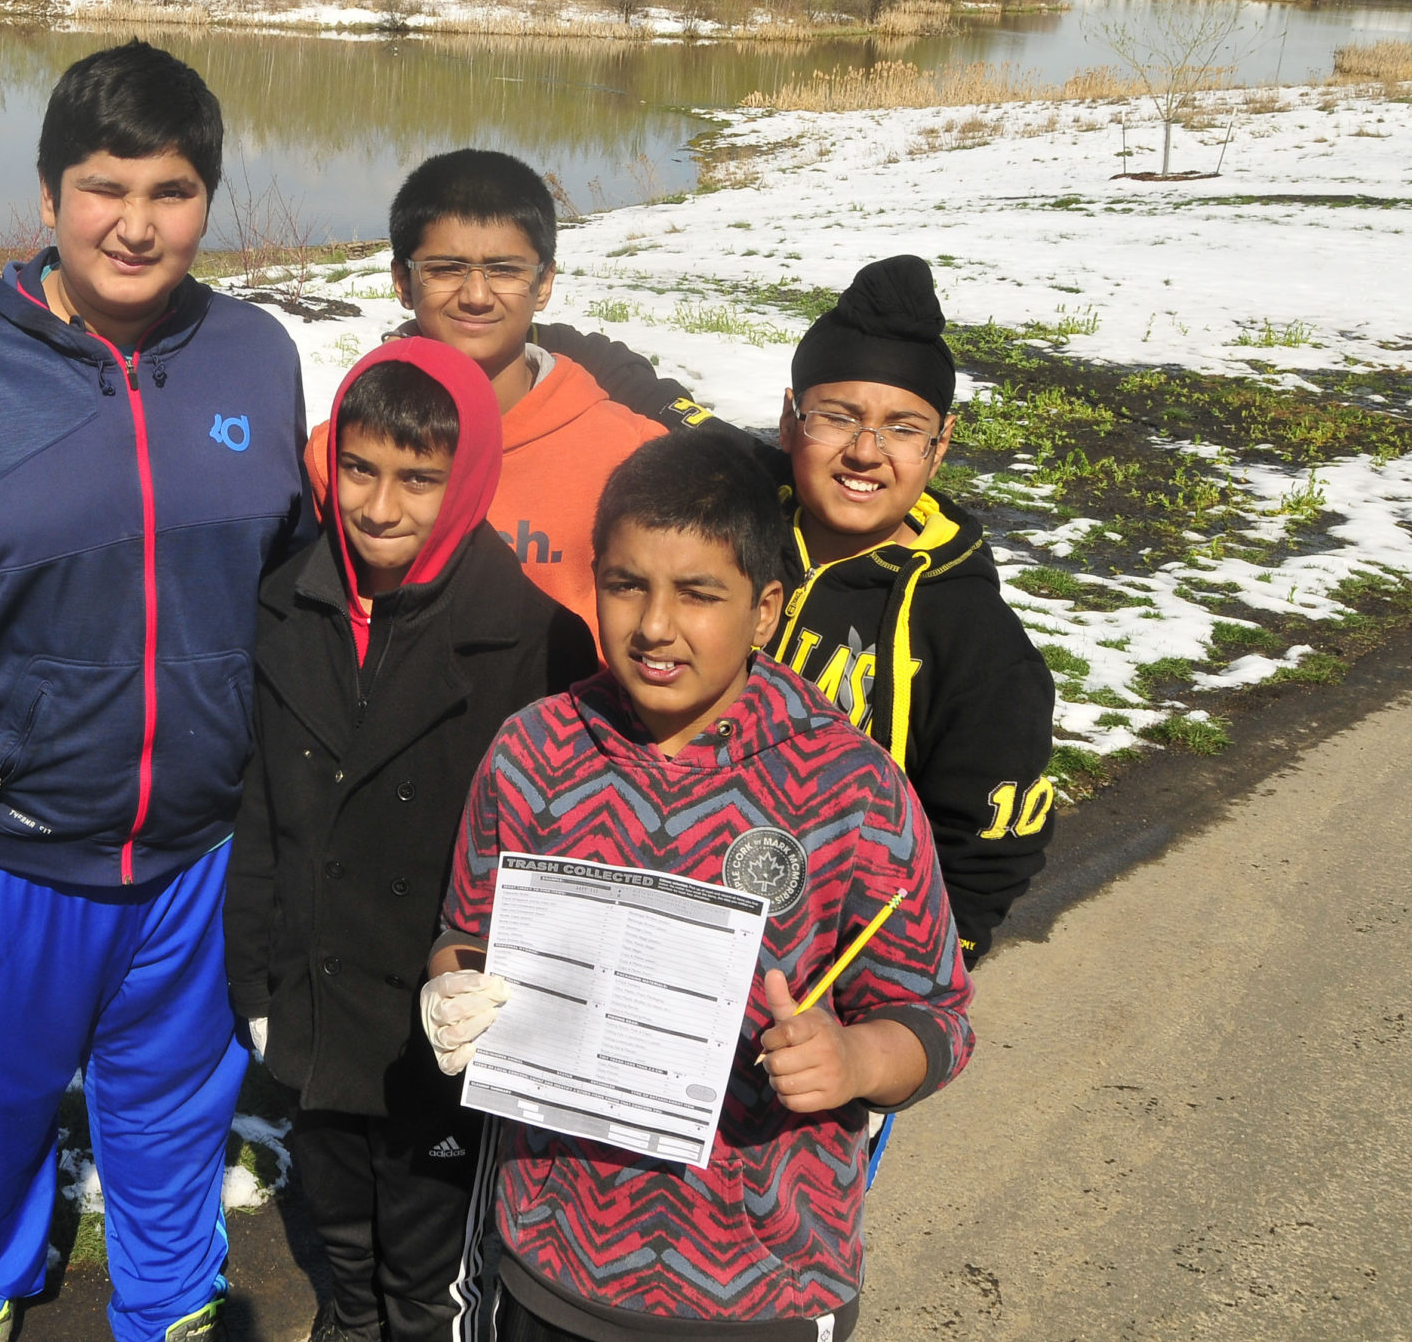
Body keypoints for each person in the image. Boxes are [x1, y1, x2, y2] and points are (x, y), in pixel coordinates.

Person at [0, 41, 315, 1342]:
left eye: (171, 191)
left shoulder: (256, 358)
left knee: (176, 1103)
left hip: (195, 844)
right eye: (105, 188)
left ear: (207, 199)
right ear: (48, 197)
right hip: (3, 850)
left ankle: (167, 1301)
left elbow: (286, 583)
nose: (136, 224)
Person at [425, 431, 974, 1342]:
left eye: (698, 594)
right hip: (545, 1263)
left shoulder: (852, 788)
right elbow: (465, 932)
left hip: (763, 1289)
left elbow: (940, 1017)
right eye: (626, 584)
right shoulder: (532, 752)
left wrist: (854, 1062)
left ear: (765, 610)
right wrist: (449, 987)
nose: (653, 626)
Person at [225, 340, 596, 1342]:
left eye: (417, 478)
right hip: (315, 978)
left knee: (428, 1238)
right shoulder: (286, 601)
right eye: (359, 468)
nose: (380, 504)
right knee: (338, 1202)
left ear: (466, 476)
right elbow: (262, 796)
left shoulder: (536, 641)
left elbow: (561, 843)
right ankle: (351, 1315)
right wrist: (254, 975)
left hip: (443, 1002)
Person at [764, 255, 1055, 960]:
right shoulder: (716, 549)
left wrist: (895, 996)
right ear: (788, 419)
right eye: (837, 417)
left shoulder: (980, 646)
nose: (866, 452)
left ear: (940, 444)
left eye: (902, 427)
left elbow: (982, 862)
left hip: (835, 972)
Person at [305, 151, 690, 636]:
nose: (477, 295)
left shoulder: (627, 452)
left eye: (504, 270)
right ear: (403, 282)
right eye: (445, 268)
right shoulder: (339, 452)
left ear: (544, 283)